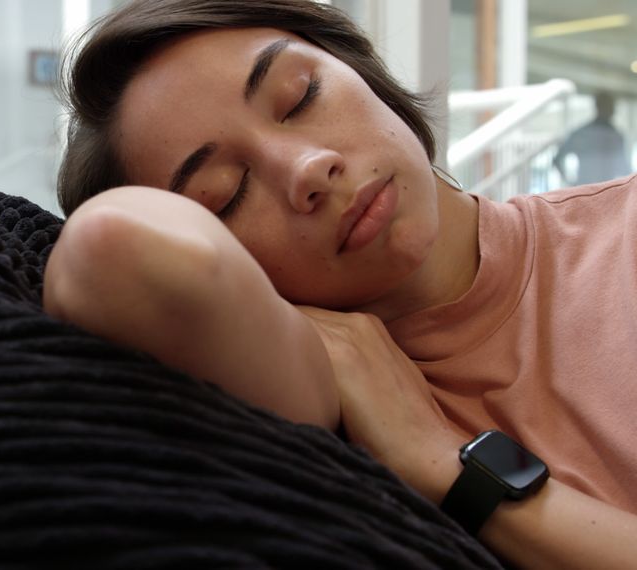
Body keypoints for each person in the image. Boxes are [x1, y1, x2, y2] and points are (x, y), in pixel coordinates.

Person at [41, 0, 637, 567]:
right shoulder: (301, 388)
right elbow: (110, 247)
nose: (307, 169)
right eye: (226, 194)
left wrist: (435, 459)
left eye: (301, 96)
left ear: (361, 72)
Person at [553, 92, 631, 186]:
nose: (612, 110)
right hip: (590, 191)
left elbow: (624, 169)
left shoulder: (616, 136)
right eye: (608, 106)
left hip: (604, 191)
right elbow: (557, 159)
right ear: (599, 107)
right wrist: (571, 184)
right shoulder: (583, 134)